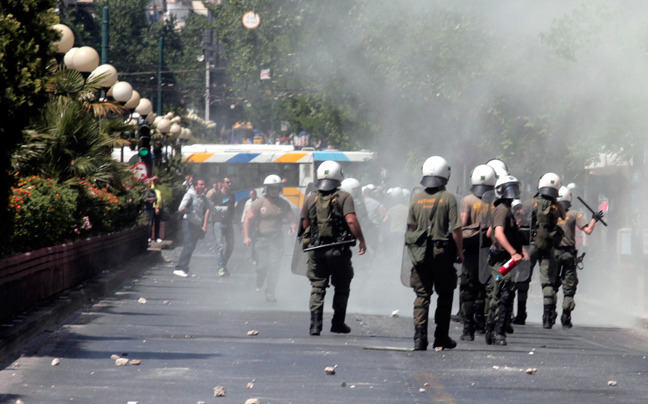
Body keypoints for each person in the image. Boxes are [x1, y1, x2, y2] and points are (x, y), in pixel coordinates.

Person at [300, 161, 367, 336]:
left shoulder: (310, 198)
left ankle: (315, 325)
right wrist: (361, 240)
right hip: (338, 250)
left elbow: (304, 224)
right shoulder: (344, 197)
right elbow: (351, 220)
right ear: (339, 176)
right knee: (342, 286)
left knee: (317, 287)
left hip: (316, 250)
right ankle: (338, 323)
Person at [406, 156, 463, 351]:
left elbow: (411, 230)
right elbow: (456, 230)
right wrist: (460, 252)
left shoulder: (416, 199)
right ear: (445, 174)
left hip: (420, 253)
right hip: (442, 253)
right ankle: (441, 337)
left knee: (422, 295)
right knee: (445, 294)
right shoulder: (448, 198)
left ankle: (419, 338)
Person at [484, 175, 528, 346]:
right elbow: (498, 233)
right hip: (501, 259)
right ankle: (495, 330)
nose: (513, 192)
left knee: (506, 292)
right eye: (509, 189)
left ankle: (497, 330)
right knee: (502, 291)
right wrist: (512, 252)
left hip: (507, 259)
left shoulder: (508, 209)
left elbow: (490, 233)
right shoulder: (502, 208)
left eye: (514, 188)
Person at [243, 175, 297, 302]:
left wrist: (293, 228)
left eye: (276, 188)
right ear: (267, 189)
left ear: (280, 189)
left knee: (274, 267)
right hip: (260, 239)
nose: (274, 190)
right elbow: (247, 219)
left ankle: (270, 291)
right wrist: (246, 236)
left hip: (276, 240)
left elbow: (292, 219)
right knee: (262, 266)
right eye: (271, 188)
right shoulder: (259, 203)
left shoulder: (284, 204)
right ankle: (260, 277)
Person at [555, 186, 602, 328]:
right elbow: (588, 230)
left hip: (554, 254)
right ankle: (565, 316)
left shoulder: (551, 214)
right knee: (569, 287)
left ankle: (548, 315)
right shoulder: (574, 214)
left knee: (551, 284)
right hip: (569, 254)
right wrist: (594, 220)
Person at [459, 164, 497, 341]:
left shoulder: (467, 200)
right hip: (489, 251)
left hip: (471, 251)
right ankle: (482, 322)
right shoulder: (496, 201)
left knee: (468, 289)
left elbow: (462, 225)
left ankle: (468, 329)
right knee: (485, 288)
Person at [526, 173, 565, 329]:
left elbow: (519, 213)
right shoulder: (559, 206)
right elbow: (563, 219)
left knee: (523, 278)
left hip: (532, 245)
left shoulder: (531, 203)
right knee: (547, 282)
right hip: (549, 246)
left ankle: (520, 314)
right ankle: (548, 318)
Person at [174, 179, 209, 277]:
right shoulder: (189, 195)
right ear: (195, 186)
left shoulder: (202, 197)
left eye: (204, 184)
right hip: (188, 223)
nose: (203, 186)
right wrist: (183, 209)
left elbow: (208, 207)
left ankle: (185, 269)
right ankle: (180, 267)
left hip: (196, 224)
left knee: (192, 246)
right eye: (201, 184)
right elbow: (182, 206)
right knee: (189, 244)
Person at [209, 177, 236, 277]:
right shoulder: (216, 195)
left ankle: (223, 264)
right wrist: (224, 209)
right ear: (222, 183)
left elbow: (233, 210)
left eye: (230, 182)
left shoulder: (232, 195)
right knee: (220, 246)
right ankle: (221, 267)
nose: (230, 184)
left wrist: (238, 223)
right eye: (228, 182)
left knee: (231, 245)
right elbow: (212, 207)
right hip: (218, 222)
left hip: (228, 223)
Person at [142, 178, 159, 243]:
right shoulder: (144, 191)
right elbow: (144, 199)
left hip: (151, 209)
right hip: (145, 209)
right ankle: (146, 237)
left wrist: (156, 208)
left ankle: (149, 237)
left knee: (150, 223)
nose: (150, 184)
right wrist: (152, 199)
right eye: (148, 183)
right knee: (146, 223)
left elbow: (155, 200)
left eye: (150, 183)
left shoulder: (152, 191)